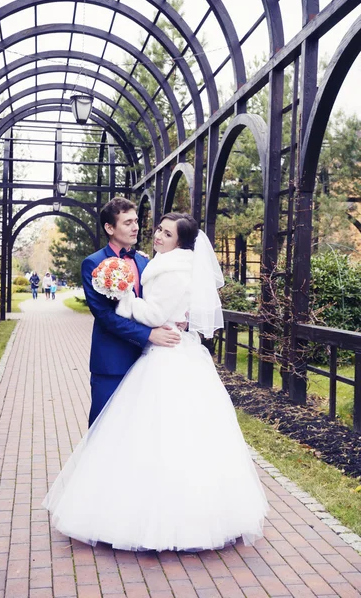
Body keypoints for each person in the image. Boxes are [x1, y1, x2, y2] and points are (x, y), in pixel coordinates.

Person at [43, 212, 268, 552]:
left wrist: (137, 306)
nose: (146, 231)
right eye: (134, 224)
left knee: (154, 436)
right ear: (110, 228)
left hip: (162, 359)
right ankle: (108, 503)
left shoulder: (159, 264)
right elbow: (105, 317)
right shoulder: (98, 263)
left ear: (180, 240)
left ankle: (150, 517)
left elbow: (157, 310)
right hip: (121, 358)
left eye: (163, 231)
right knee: (113, 435)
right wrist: (153, 326)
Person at [81, 197, 181, 427]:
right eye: (127, 223)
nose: (135, 227)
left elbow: (156, 301)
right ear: (109, 228)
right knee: (102, 428)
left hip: (148, 362)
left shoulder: (147, 262)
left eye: (136, 221)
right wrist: (148, 334)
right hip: (111, 361)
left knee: (138, 431)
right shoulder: (93, 264)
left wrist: (177, 318)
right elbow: (105, 316)